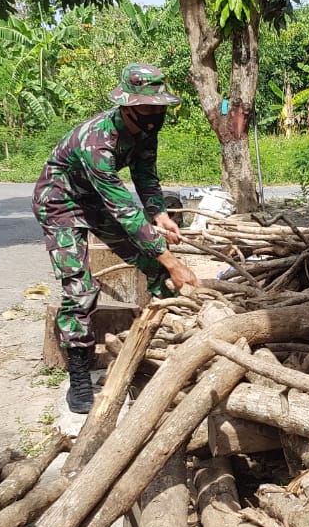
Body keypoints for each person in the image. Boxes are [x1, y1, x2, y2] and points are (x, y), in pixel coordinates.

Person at [32, 63, 198, 414]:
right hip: (60, 204)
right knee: (79, 289)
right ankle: (78, 375)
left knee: (153, 265)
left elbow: (146, 177)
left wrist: (160, 215)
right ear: (127, 106)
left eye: (160, 108)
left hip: (94, 201)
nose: (156, 114)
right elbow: (123, 208)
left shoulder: (145, 131)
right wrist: (171, 259)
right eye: (149, 107)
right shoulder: (97, 141)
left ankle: (154, 343)